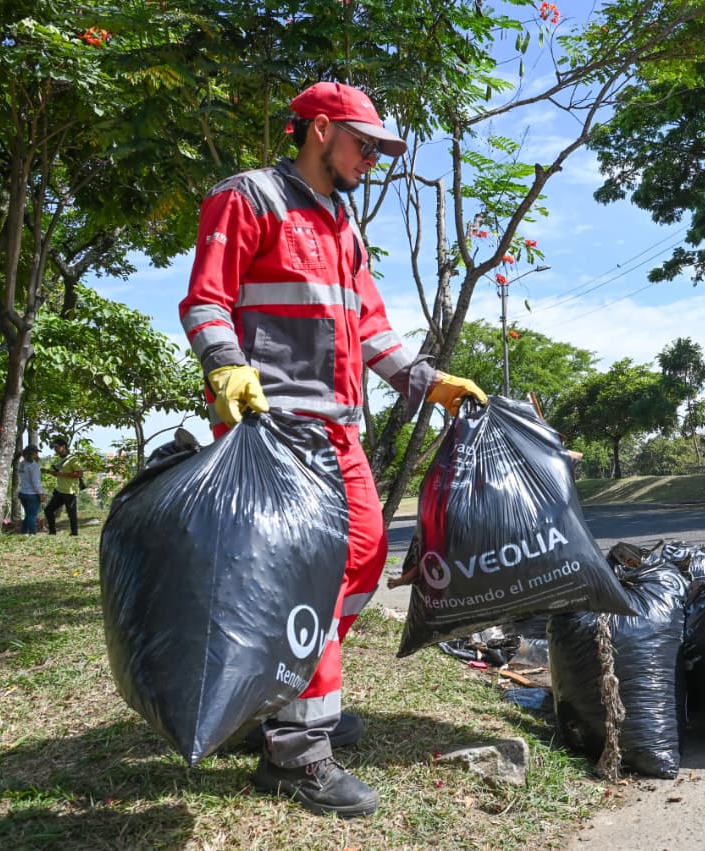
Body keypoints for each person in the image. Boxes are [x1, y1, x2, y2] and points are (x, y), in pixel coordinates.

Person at [179, 81, 487, 818]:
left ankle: (278, 688)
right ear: (320, 130)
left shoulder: (342, 225)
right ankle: (295, 751)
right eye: (365, 144)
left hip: (338, 428)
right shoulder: (246, 198)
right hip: (273, 426)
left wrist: (427, 380)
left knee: (365, 555)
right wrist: (224, 363)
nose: (373, 160)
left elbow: (371, 328)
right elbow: (205, 299)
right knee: (307, 579)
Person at [44, 437, 81, 536]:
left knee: (71, 514)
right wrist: (47, 471)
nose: (54, 449)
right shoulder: (60, 459)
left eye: (56, 447)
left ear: (63, 447)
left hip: (70, 491)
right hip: (60, 491)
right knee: (48, 510)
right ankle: (52, 532)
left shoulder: (73, 459)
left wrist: (64, 474)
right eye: (53, 447)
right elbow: (58, 473)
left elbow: (79, 474)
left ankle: (74, 533)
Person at [18, 445, 44, 534]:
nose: (37, 455)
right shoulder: (33, 465)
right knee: (32, 516)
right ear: (33, 454)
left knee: (28, 515)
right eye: (36, 453)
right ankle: (33, 533)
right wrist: (41, 494)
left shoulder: (22, 464)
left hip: (23, 493)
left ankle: (23, 532)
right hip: (32, 494)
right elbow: (35, 482)